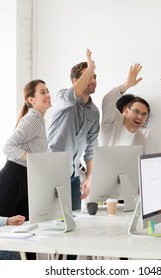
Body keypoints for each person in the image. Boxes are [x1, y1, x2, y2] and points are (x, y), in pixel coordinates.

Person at [0, 79, 51, 220]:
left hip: (24, 179)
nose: (48, 95)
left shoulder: (38, 120)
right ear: (31, 100)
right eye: (43, 92)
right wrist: (32, 158)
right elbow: (8, 146)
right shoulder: (33, 119)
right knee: (1, 233)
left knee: (24, 231)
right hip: (12, 180)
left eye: (48, 91)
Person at [47, 49, 100, 211]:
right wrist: (90, 68)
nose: (93, 80)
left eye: (94, 76)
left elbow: (91, 148)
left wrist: (90, 178)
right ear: (76, 81)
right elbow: (71, 97)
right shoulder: (63, 97)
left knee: (74, 222)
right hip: (52, 173)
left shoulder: (94, 112)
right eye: (89, 76)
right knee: (51, 223)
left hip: (74, 176)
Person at [100, 63, 154, 154]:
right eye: (136, 111)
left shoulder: (141, 139)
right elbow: (108, 100)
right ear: (126, 110)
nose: (140, 117)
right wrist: (127, 85)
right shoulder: (112, 121)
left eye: (144, 114)